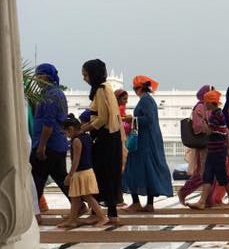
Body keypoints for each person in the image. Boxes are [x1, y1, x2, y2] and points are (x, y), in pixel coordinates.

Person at [80, 59, 123, 223]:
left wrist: (86, 128)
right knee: (108, 174)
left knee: (103, 174)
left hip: (105, 138)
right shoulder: (107, 88)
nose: (84, 78)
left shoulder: (101, 90)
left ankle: (104, 214)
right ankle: (106, 213)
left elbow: (102, 118)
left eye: (86, 75)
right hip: (111, 137)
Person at [123, 75, 174, 212]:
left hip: (145, 142)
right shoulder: (148, 100)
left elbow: (148, 120)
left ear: (141, 88)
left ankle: (137, 203)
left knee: (133, 169)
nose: (134, 91)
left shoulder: (145, 100)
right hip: (148, 140)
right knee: (147, 170)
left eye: (135, 88)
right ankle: (148, 204)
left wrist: (132, 119)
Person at [188, 90, 229, 209]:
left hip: (217, 150)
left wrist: (202, 119)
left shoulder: (216, 115)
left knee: (221, 176)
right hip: (215, 149)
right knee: (208, 175)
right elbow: (223, 131)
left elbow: (209, 131)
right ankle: (202, 201)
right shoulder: (216, 114)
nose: (205, 104)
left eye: (206, 102)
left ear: (211, 102)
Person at [30, 63, 70, 210]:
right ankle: (79, 206)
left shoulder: (50, 95)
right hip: (58, 144)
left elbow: (49, 123)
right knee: (61, 178)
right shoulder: (56, 93)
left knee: (37, 179)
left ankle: (33, 212)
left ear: (45, 76)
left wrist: (41, 146)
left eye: (38, 75)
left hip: (49, 145)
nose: (35, 79)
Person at [58, 115, 109, 229]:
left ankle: (102, 217)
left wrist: (69, 175)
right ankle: (72, 220)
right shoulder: (86, 137)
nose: (66, 136)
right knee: (75, 197)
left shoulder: (76, 140)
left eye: (66, 133)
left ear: (71, 129)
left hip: (81, 172)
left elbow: (76, 160)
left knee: (87, 196)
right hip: (85, 171)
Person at [179, 85, 217, 207]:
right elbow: (197, 126)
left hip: (211, 143)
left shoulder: (208, 106)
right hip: (204, 145)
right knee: (203, 173)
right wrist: (210, 127)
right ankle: (184, 191)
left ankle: (209, 200)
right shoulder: (201, 106)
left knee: (211, 172)